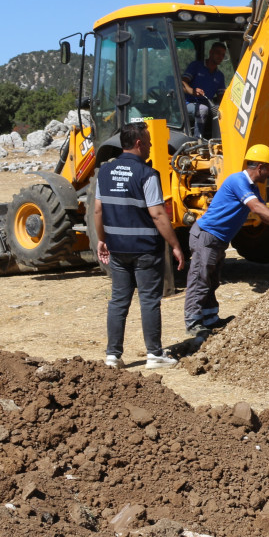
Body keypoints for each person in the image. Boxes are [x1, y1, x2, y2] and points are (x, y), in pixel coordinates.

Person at [93, 121, 186, 369]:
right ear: (138, 143)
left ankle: (113, 356)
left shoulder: (104, 172)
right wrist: (175, 245)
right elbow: (157, 214)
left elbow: (98, 210)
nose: (150, 146)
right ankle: (154, 355)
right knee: (148, 301)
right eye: (148, 142)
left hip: (117, 249)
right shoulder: (147, 174)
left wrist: (102, 239)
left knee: (118, 301)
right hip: (145, 249)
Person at [183, 144, 269, 336]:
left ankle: (211, 318)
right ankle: (193, 322)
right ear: (260, 167)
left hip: (218, 239)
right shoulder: (238, 180)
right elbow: (255, 208)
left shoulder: (252, 188)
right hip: (206, 236)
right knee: (200, 279)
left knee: (212, 281)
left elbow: (264, 217)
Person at [182, 42, 227, 137]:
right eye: (218, 53)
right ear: (211, 52)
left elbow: (220, 97)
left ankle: (220, 139)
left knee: (222, 110)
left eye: (223, 54)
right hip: (188, 103)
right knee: (202, 109)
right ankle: (198, 139)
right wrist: (192, 91)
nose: (220, 56)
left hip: (207, 103)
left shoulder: (220, 75)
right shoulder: (196, 66)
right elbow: (182, 82)